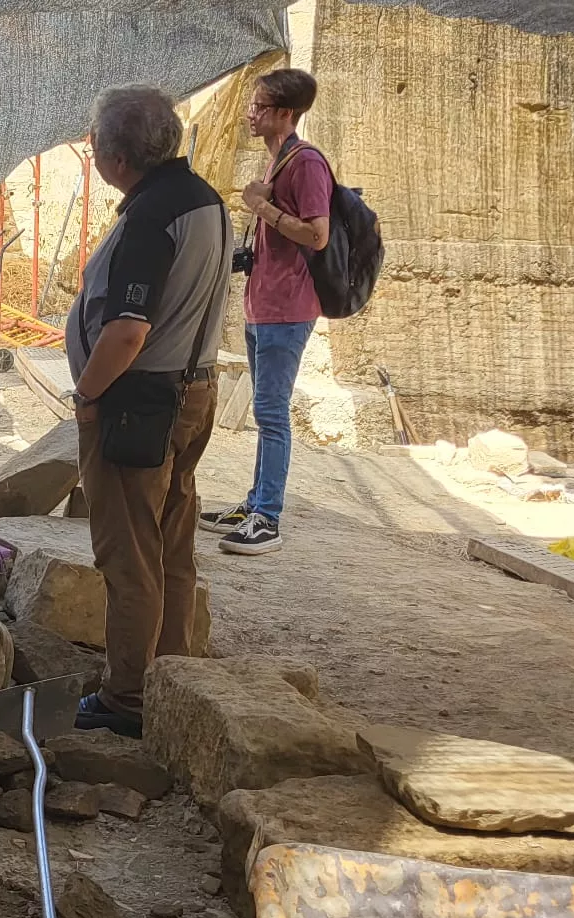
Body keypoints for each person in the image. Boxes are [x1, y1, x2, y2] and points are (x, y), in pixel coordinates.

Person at [64, 86, 230, 739]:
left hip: (140, 400)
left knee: (129, 551)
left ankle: (129, 695)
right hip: (192, 387)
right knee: (172, 542)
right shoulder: (205, 199)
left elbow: (127, 329)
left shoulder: (151, 216)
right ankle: (170, 673)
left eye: (97, 141)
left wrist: (87, 395)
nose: (93, 148)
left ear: (119, 154)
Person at [200, 68, 333, 557]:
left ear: (285, 113)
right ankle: (255, 501)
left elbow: (317, 234)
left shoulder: (306, 164)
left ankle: (268, 517)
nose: (250, 113)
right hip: (264, 304)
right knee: (265, 411)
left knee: (273, 415)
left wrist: (263, 209)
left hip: (287, 308)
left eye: (259, 107)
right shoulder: (278, 161)